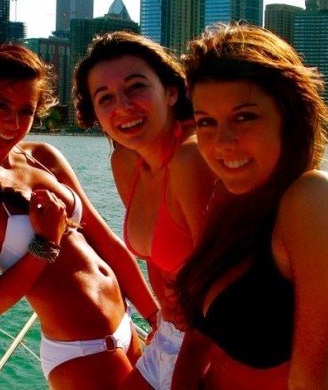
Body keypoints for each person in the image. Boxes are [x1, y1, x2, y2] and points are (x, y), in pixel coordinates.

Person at [0, 44, 160, 390]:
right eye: (0, 105)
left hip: (124, 324)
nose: (14, 123)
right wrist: (45, 244)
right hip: (83, 352)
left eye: (26, 111)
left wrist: (155, 316)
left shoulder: (42, 156)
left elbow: (105, 241)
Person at [172, 23, 328, 390]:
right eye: (206, 122)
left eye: (244, 116)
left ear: (290, 117)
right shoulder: (230, 200)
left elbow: (309, 382)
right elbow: (196, 343)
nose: (222, 142)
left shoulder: (315, 199)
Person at [73, 31, 216, 389]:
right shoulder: (126, 162)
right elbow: (159, 254)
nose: (122, 106)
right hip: (170, 333)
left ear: (171, 92)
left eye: (136, 87)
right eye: (105, 98)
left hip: (212, 343)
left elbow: (222, 282)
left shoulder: (192, 157)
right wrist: (161, 316)